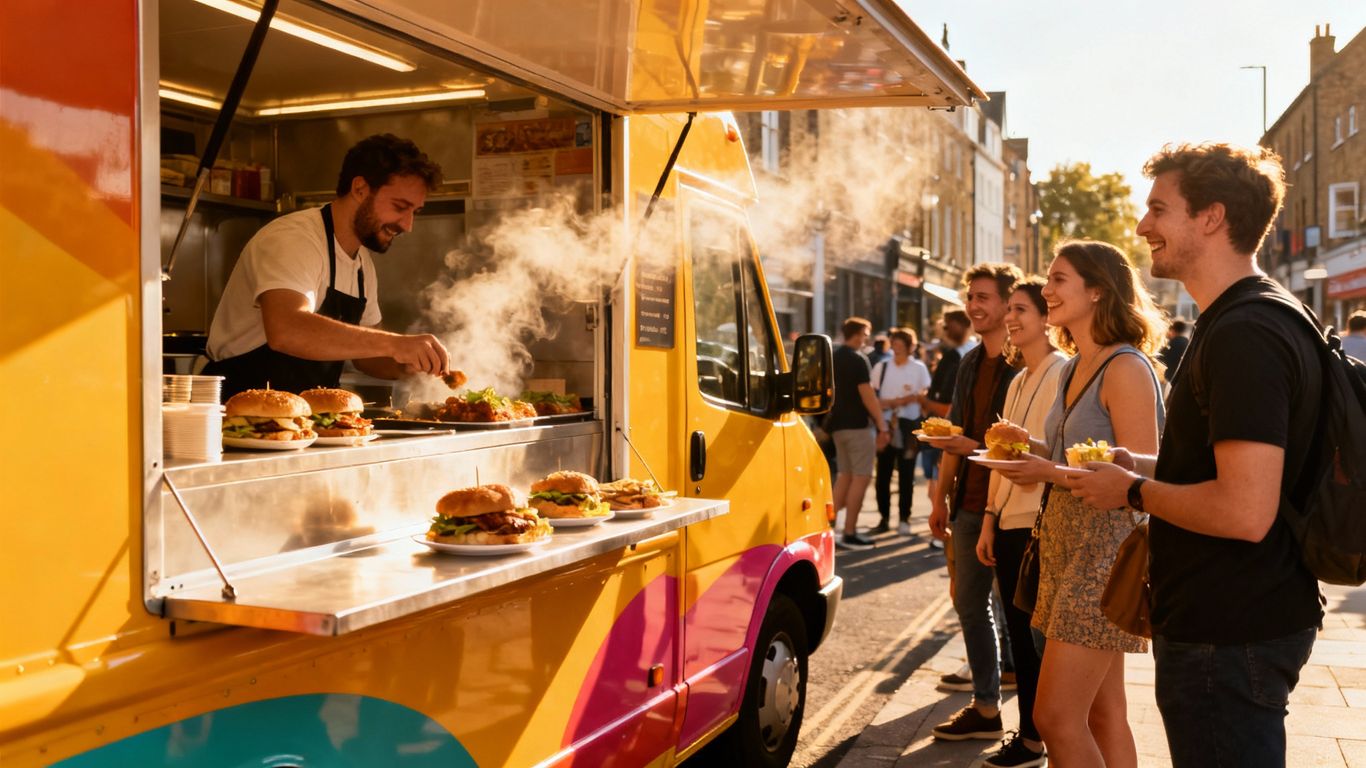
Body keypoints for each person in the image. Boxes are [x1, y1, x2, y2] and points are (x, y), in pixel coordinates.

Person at [1070, 143, 1324, 768]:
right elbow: (1242, 475)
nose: (1141, 227)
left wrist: (1129, 493)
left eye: (1159, 209)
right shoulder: (1252, 316)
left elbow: (1244, 510)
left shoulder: (1246, 334)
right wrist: (1144, 468)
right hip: (1239, 617)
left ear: (1211, 217)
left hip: (1228, 628)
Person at [996, 240, 1166, 768]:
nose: (1046, 289)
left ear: (1097, 291)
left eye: (1058, 279)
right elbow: (1075, 453)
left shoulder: (1125, 367)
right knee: (1100, 715)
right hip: (1065, 541)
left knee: (1055, 719)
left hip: (1105, 553)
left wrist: (1047, 471)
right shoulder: (1073, 367)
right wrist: (1024, 447)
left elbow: (1140, 468)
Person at [206, 134, 451, 399]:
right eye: (400, 207)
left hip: (306, 417)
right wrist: (395, 344)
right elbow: (287, 329)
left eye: (415, 211)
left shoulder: (361, 264)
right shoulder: (295, 238)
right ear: (359, 189)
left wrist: (414, 365)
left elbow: (368, 358)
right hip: (238, 408)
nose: (407, 225)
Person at [926, 263, 1023, 742]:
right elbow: (955, 435)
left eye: (984, 297)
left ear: (1008, 304)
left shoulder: (1022, 364)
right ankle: (987, 706)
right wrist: (941, 496)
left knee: (1022, 616)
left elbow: (1023, 446)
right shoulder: (968, 363)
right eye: (971, 297)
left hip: (1012, 507)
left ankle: (1036, 727)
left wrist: (973, 450)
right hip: (968, 504)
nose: (974, 305)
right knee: (969, 603)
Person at [975, 276, 1065, 768]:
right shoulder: (1016, 380)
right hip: (1006, 521)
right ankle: (1031, 734)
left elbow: (1054, 455)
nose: (1011, 319)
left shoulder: (1060, 372)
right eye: (1008, 310)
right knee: (1017, 630)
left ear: (1047, 318)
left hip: (1037, 523)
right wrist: (989, 517)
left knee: (1036, 638)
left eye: (1021, 311)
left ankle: (1036, 738)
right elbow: (998, 453)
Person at [828, 316, 892, 550]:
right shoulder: (858, 359)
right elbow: (867, 395)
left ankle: (830, 529)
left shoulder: (833, 356)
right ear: (857, 334)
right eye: (866, 333)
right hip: (857, 426)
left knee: (844, 475)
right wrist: (882, 425)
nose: (867, 338)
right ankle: (850, 531)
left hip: (837, 425)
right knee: (861, 476)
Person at [871, 328, 932, 536]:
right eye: (893, 345)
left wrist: (912, 399)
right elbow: (873, 397)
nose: (896, 350)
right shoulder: (882, 366)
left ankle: (905, 517)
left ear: (910, 347)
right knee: (883, 474)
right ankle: (884, 517)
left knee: (907, 473)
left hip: (909, 425)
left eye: (900, 346)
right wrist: (898, 401)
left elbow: (924, 393)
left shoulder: (919, 368)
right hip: (886, 425)